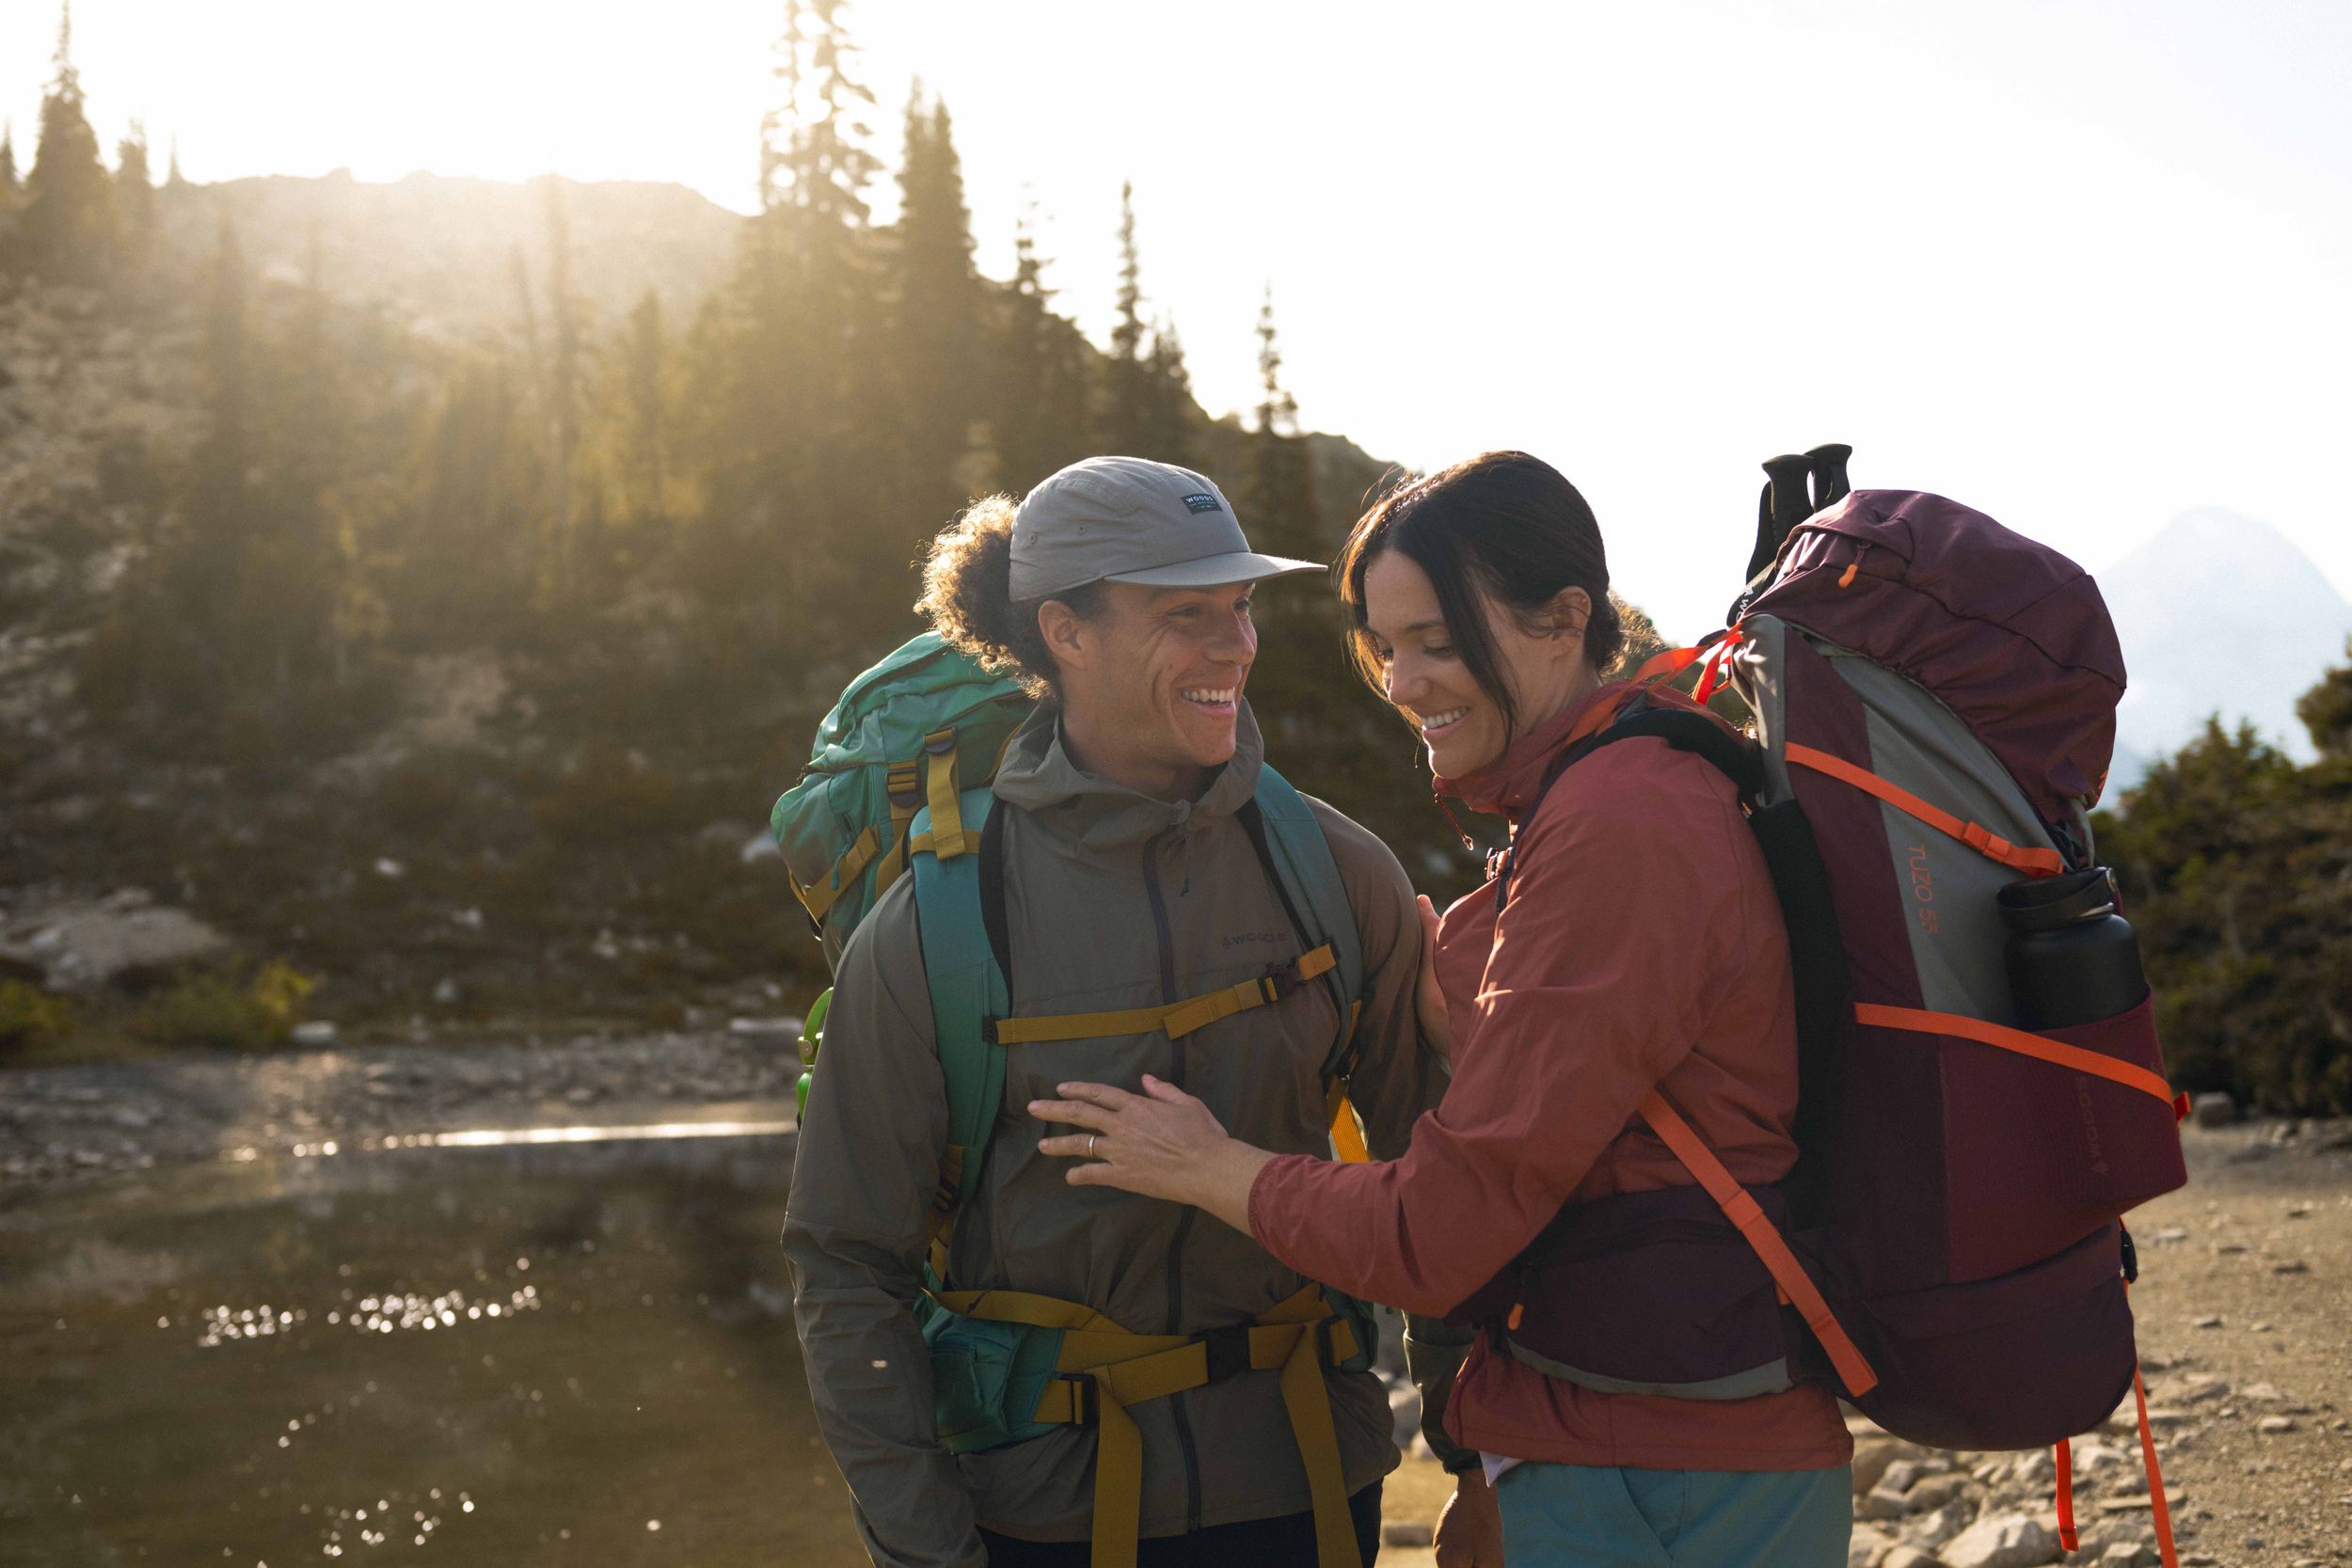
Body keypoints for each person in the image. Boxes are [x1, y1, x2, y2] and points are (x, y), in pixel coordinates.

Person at [1029, 451, 1856, 1567]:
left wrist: (1209, 1166)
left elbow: (1437, 1234)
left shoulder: (1621, 821)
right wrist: (1459, 1021)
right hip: (1647, 1438)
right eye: (1384, 645)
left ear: (1565, 619)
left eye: (1436, 641)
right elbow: (1629, 1084)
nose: (1403, 682)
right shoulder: (1621, 778)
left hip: (1657, 1473)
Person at [782, 456, 1481, 1568]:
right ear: (1064, 630)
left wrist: (1473, 1458)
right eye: (1184, 615)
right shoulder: (934, 929)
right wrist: (923, 1547)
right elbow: (844, 1258)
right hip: (1041, 1513)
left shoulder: (1338, 872)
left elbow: (1440, 1174)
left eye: (1240, 607)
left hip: (1307, 1483)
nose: (1234, 646)